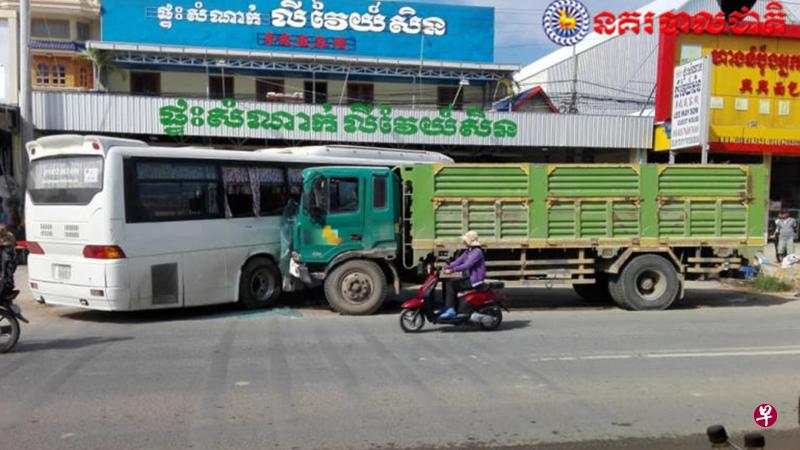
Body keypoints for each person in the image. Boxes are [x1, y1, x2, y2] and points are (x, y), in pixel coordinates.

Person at [438, 231, 486, 320]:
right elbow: (458, 261)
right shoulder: (468, 251)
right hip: (469, 278)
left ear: (470, 241)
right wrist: (445, 267)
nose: (463, 242)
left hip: (475, 281)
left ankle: (451, 310)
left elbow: (467, 265)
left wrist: (452, 270)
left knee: (451, 284)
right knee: (446, 282)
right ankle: (448, 306)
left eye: (465, 240)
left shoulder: (477, 252)